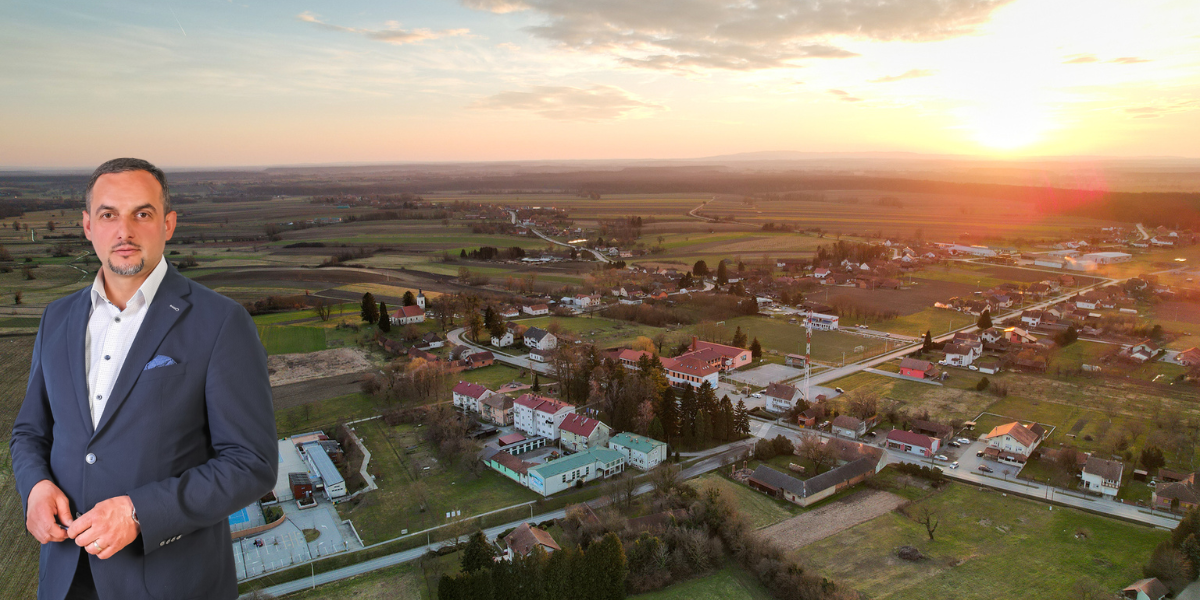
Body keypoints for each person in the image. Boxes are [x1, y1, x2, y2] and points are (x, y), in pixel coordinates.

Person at [10, 158, 278, 600]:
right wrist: (35, 488)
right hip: (64, 578)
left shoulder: (221, 322)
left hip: (171, 583)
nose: (125, 231)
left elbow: (252, 463)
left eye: (143, 213)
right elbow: (29, 432)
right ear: (87, 226)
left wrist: (138, 513)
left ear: (168, 224)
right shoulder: (56, 318)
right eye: (109, 214)